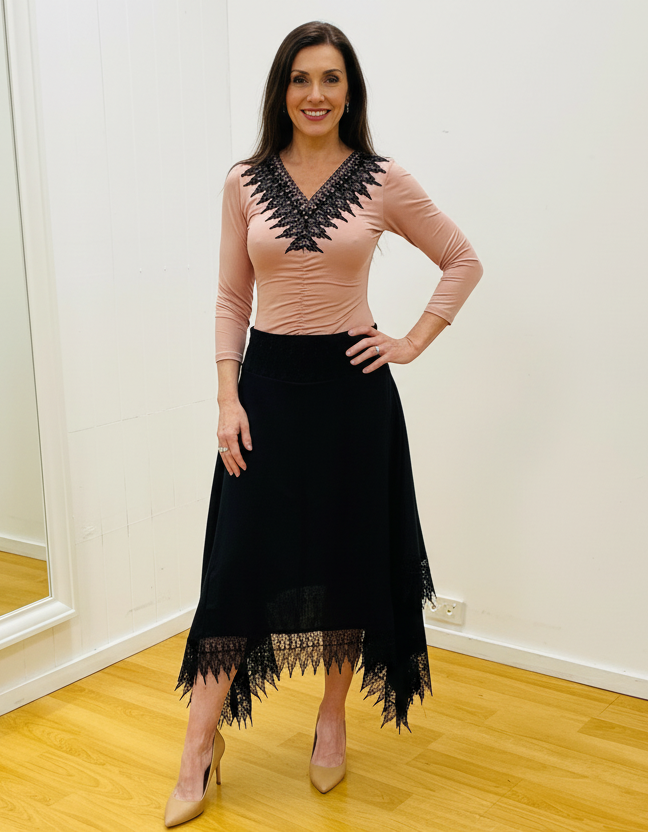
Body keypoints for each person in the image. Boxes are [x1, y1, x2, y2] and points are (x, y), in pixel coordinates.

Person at [164, 20, 483, 828]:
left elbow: (462, 258)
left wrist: (410, 341)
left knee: (346, 556)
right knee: (235, 569)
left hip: (351, 398)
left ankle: (332, 718)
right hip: (266, 392)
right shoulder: (245, 180)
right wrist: (228, 397)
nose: (315, 94)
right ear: (282, 89)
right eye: (301, 79)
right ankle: (200, 743)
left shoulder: (381, 178)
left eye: (330, 79)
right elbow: (233, 298)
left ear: (350, 91)